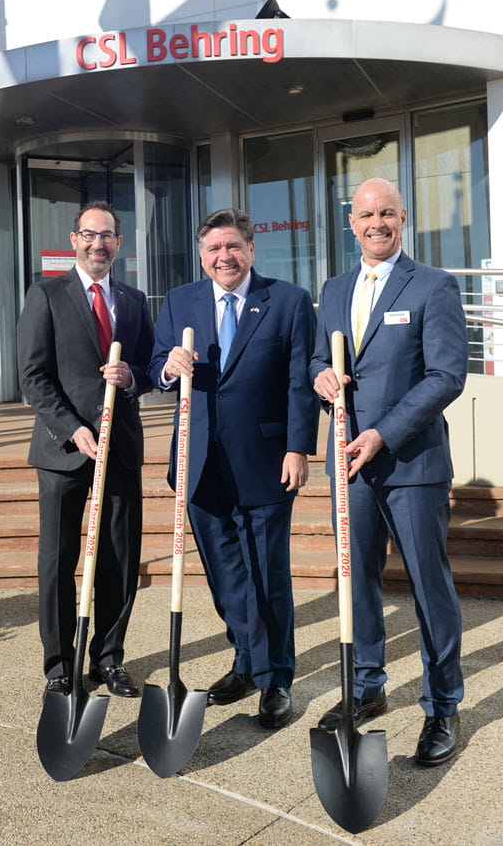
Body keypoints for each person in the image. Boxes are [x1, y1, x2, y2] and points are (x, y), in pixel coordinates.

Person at [309, 177, 469, 766]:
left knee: (429, 587)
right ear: (351, 223)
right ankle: (367, 687)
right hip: (349, 463)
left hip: (410, 463)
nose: (377, 223)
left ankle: (443, 704)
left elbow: (447, 375)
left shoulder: (433, 285)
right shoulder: (333, 288)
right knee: (359, 581)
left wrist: (384, 433)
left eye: (387, 214)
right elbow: (318, 357)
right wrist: (319, 375)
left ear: (404, 219)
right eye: (366, 215)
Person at [149, 207, 318, 729]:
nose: (224, 257)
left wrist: (298, 448)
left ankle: (275, 679)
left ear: (250, 249)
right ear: (202, 257)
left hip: (266, 463)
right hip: (199, 467)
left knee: (267, 577)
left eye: (233, 247)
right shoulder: (180, 302)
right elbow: (156, 365)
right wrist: (166, 368)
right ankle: (246, 661)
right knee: (226, 579)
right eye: (213, 250)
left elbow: (298, 381)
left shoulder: (286, 301)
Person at [17, 201, 155, 699]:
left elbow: (147, 368)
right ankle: (59, 663)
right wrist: (73, 429)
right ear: (75, 239)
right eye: (90, 235)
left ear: (119, 244)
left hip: (119, 450)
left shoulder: (135, 301)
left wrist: (133, 377)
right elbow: (33, 377)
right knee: (58, 558)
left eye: (109, 236)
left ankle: (109, 657)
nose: (99, 244)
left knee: (120, 558)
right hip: (63, 451)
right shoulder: (46, 295)